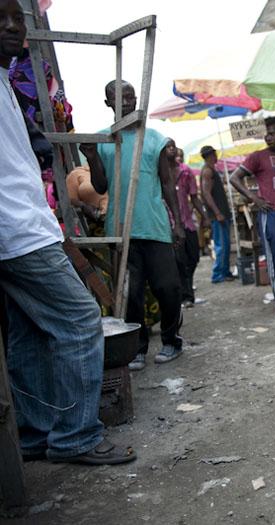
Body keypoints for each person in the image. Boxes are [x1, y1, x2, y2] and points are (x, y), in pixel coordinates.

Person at [0, 0, 134, 464]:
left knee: (29, 333)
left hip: (23, 226)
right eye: (2, 19)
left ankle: (36, 433)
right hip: (17, 231)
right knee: (80, 320)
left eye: (18, 18)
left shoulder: (6, 83)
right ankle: (76, 436)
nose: (14, 28)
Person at [81, 79, 185, 371]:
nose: (128, 103)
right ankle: (137, 348)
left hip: (154, 224)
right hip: (121, 228)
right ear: (108, 104)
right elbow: (100, 186)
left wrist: (176, 222)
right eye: (121, 98)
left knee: (168, 287)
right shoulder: (103, 139)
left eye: (131, 97)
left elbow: (167, 183)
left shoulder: (154, 138)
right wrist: (91, 156)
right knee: (131, 293)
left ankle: (171, 340)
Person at [230, 121, 275, 316]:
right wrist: (254, 198)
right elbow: (234, 178)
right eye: (266, 134)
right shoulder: (257, 157)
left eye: (273, 133)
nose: (268, 137)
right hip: (270, 213)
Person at [172, 146, 206, 307]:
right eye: (175, 154)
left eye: (180, 155)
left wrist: (205, 216)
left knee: (193, 257)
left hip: (187, 222)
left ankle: (187, 289)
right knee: (179, 261)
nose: (178, 158)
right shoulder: (161, 174)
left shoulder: (187, 173)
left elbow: (194, 197)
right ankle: (186, 296)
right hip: (170, 224)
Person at [199, 145, 234, 284]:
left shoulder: (211, 170)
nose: (216, 156)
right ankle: (218, 274)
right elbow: (206, 194)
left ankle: (224, 272)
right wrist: (217, 213)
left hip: (221, 213)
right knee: (222, 245)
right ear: (210, 155)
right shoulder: (207, 171)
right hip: (218, 215)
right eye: (214, 154)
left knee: (225, 245)